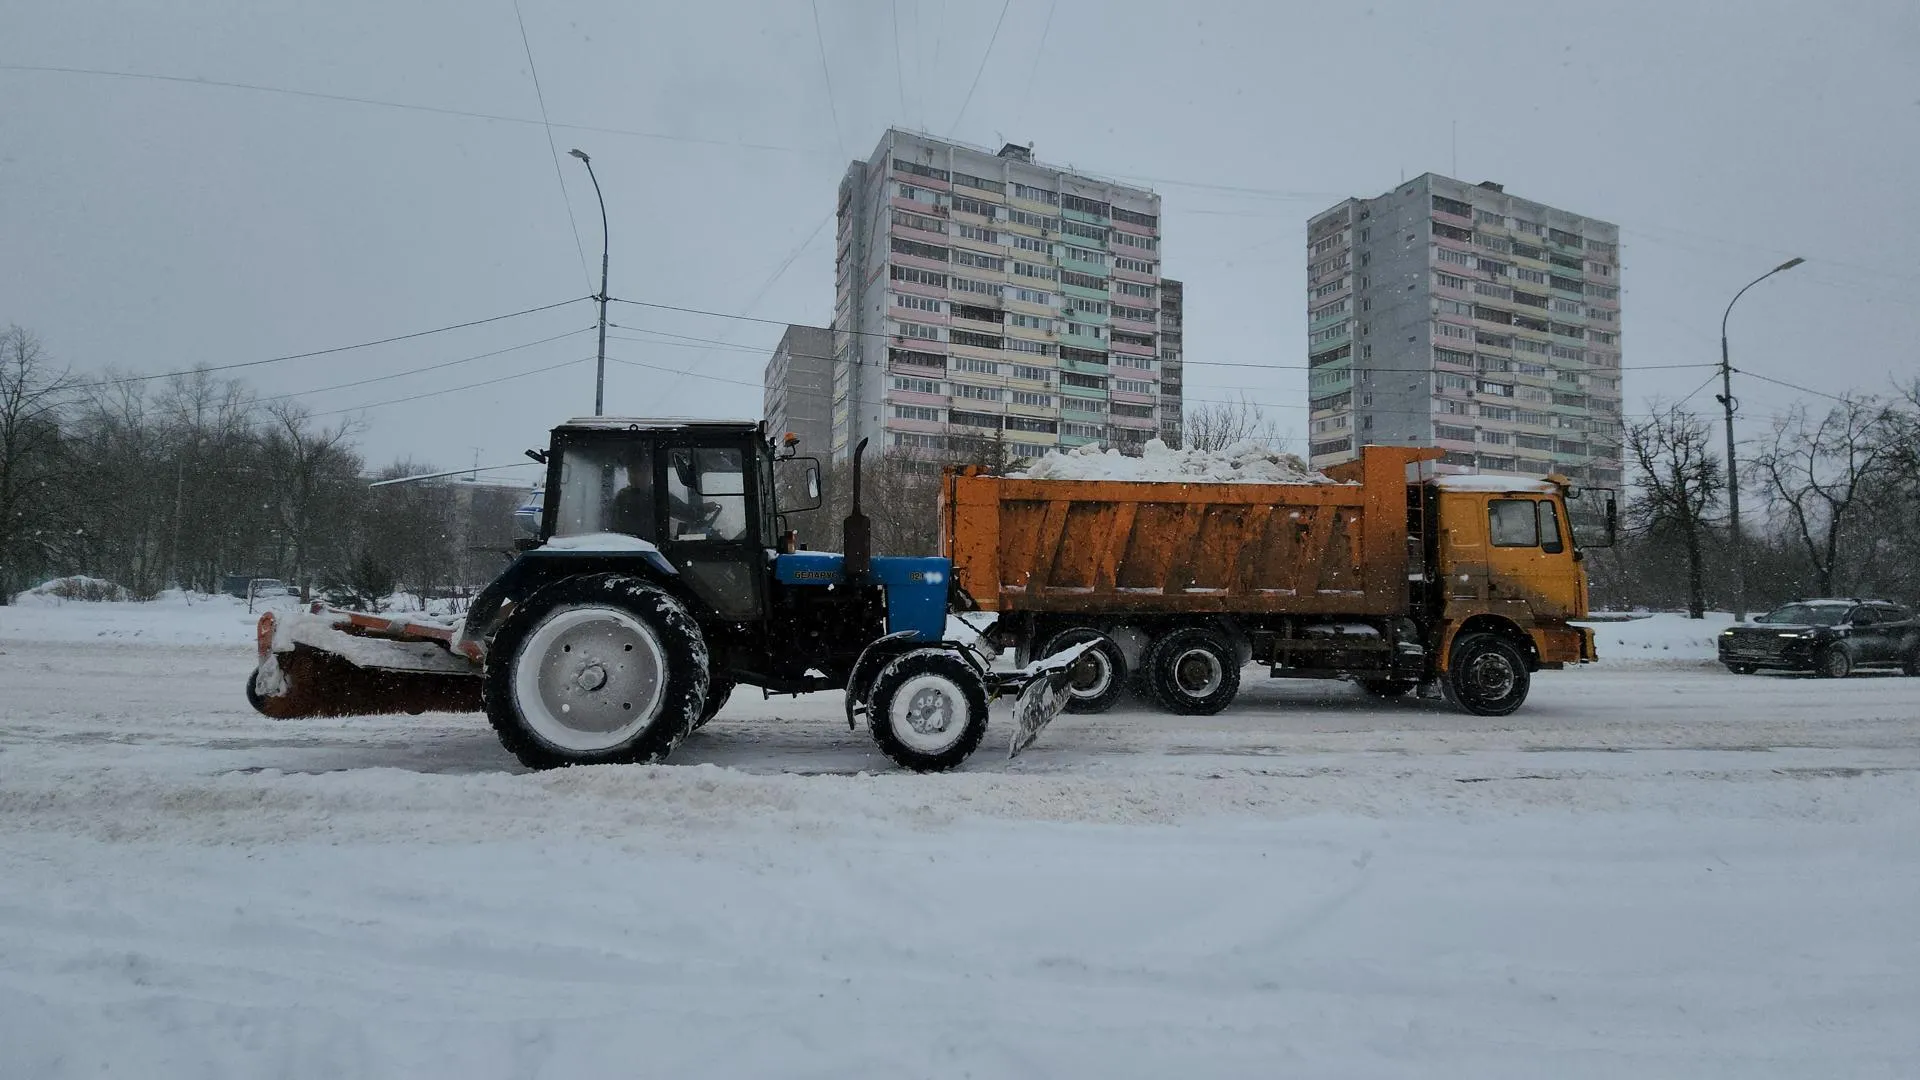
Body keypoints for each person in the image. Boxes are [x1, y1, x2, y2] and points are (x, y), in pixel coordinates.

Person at [607, 448, 656, 540]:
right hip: (626, 545)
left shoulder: (659, 495)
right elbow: (611, 527)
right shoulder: (622, 497)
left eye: (642, 470)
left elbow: (683, 513)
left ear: (650, 472)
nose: (635, 476)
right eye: (632, 470)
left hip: (653, 545)